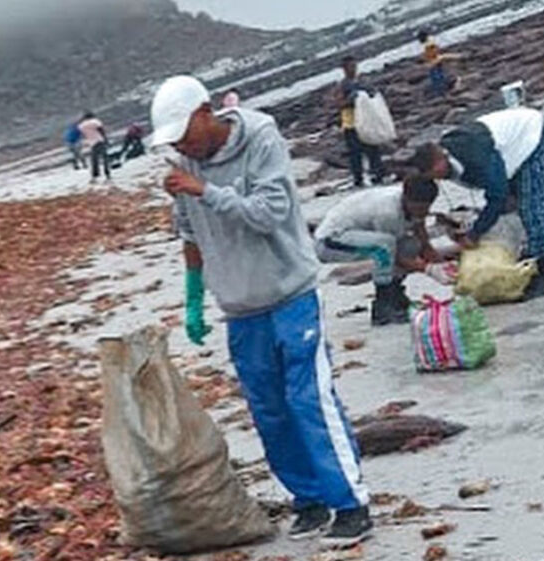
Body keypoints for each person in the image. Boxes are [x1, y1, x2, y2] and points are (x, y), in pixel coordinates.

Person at [150, 75, 372, 545]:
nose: (184, 145)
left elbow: (268, 213)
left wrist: (204, 190)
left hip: (289, 295)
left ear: (206, 112)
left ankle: (351, 505)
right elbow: (188, 233)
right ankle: (309, 499)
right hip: (241, 307)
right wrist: (193, 298)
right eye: (175, 141)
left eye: (185, 132)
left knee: (309, 399)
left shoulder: (261, 138)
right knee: (269, 411)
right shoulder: (185, 164)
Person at [411, 106, 544, 299]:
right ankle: (528, 263)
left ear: (438, 162)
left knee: (532, 204)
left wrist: (476, 232)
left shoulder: (473, 155)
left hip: (528, 134)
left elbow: (497, 194)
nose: (436, 180)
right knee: (515, 208)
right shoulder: (449, 162)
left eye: (434, 174)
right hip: (506, 153)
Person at [314, 176, 454, 325]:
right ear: (406, 198)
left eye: (426, 208)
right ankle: (382, 304)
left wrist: (439, 261)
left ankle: (395, 293)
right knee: (384, 246)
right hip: (331, 241)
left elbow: (420, 234)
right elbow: (394, 256)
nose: (422, 212)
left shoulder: (411, 205)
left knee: (411, 244)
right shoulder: (388, 212)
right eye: (418, 208)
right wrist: (429, 269)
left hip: (363, 237)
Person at [334, 56, 387, 188]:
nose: (352, 69)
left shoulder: (363, 81)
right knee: (355, 153)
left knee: (372, 148)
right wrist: (352, 100)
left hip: (366, 121)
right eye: (349, 67)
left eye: (354, 66)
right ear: (344, 69)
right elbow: (339, 104)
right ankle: (358, 179)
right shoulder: (342, 85)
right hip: (351, 124)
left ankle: (378, 175)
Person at [417, 30, 458, 97]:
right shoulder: (430, 42)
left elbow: (432, 53)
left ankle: (442, 90)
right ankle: (444, 88)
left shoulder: (429, 45)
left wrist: (430, 60)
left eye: (420, 39)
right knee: (438, 75)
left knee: (437, 77)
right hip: (435, 61)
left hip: (434, 62)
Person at [77, 111, 111, 182]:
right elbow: (101, 131)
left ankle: (95, 176)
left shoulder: (81, 125)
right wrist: (106, 139)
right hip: (100, 141)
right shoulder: (95, 122)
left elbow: (83, 135)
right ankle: (107, 174)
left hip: (91, 143)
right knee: (105, 158)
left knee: (94, 160)